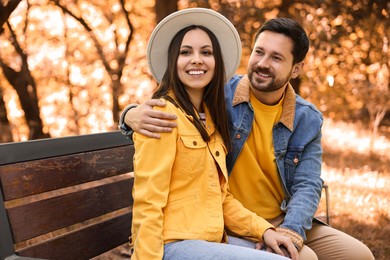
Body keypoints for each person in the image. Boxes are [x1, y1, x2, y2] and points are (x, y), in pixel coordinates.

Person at [120, 15, 375, 260]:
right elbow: (172, 103)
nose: (263, 63)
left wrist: (289, 230)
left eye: (276, 57)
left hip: (276, 217)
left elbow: (307, 184)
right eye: (259, 52)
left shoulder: (305, 118)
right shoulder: (219, 96)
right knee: (302, 257)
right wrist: (129, 114)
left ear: (296, 68)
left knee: (359, 255)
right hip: (212, 226)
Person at [129, 8, 298, 260]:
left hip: (208, 240)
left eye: (206, 52)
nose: (196, 59)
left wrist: (264, 231)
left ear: (215, 62)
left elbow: (221, 199)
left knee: (294, 255)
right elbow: (148, 203)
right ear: (173, 61)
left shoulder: (209, 119)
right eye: (186, 52)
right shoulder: (162, 117)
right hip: (172, 245)